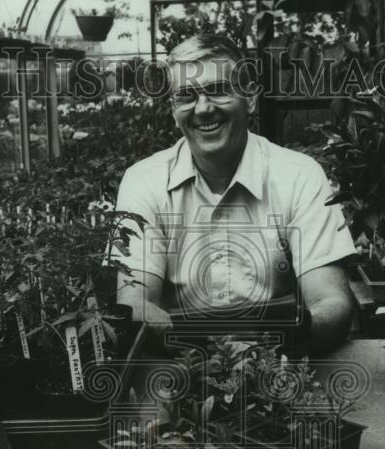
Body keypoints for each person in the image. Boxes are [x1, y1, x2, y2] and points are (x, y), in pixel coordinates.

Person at [112, 34, 357, 354]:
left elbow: (332, 302)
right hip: (180, 372)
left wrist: (255, 355)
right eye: (186, 96)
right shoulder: (143, 182)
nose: (202, 109)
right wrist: (218, 360)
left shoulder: (299, 176)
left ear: (250, 99)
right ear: (173, 109)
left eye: (217, 90)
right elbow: (135, 303)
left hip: (285, 366)